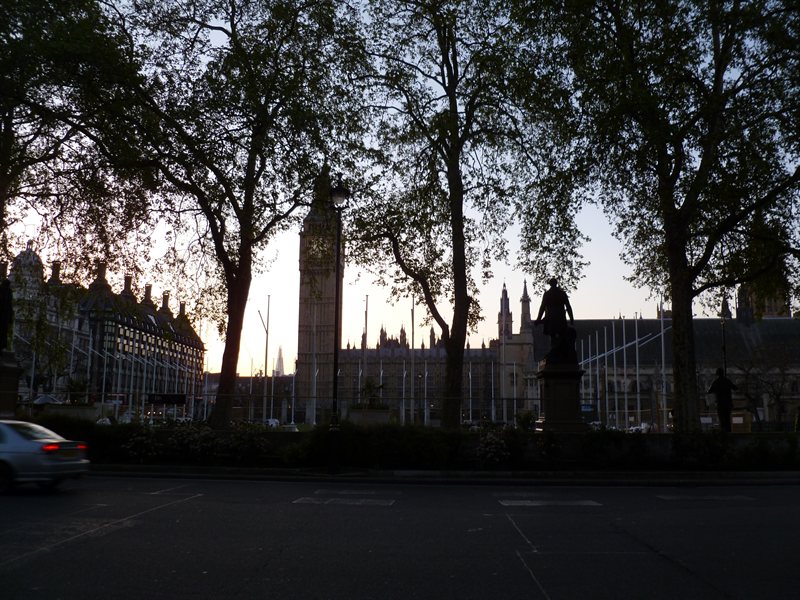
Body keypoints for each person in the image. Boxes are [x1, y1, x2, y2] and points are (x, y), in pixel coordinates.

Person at [535, 277, 574, 344]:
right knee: (562, 336)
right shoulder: (562, 293)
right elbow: (568, 307)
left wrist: (538, 319)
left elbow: (542, 307)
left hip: (550, 319)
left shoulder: (547, 294)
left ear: (550, 284)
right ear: (556, 284)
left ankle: (555, 348)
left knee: (553, 337)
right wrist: (571, 319)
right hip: (561, 318)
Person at [708, 367, 737, 432]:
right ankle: (729, 433)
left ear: (717, 374)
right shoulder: (727, 381)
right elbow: (735, 388)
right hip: (728, 403)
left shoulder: (716, 382)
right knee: (727, 419)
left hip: (720, 404)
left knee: (722, 419)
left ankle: (724, 433)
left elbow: (709, 391)